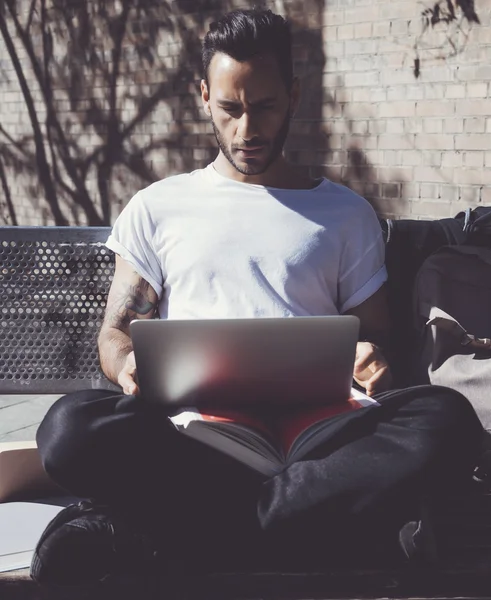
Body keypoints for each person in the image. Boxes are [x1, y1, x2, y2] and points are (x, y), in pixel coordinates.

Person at [30, 8, 482, 587]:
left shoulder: (345, 213)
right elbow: (115, 333)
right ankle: (294, 526)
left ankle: (197, 533)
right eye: (231, 108)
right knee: (70, 428)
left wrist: (373, 356)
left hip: (321, 437)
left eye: (265, 106)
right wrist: (127, 365)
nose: (249, 130)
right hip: (194, 435)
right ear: (204, 96)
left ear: (293, 96)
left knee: (444, 419)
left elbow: (377, 334)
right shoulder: (158, 206)